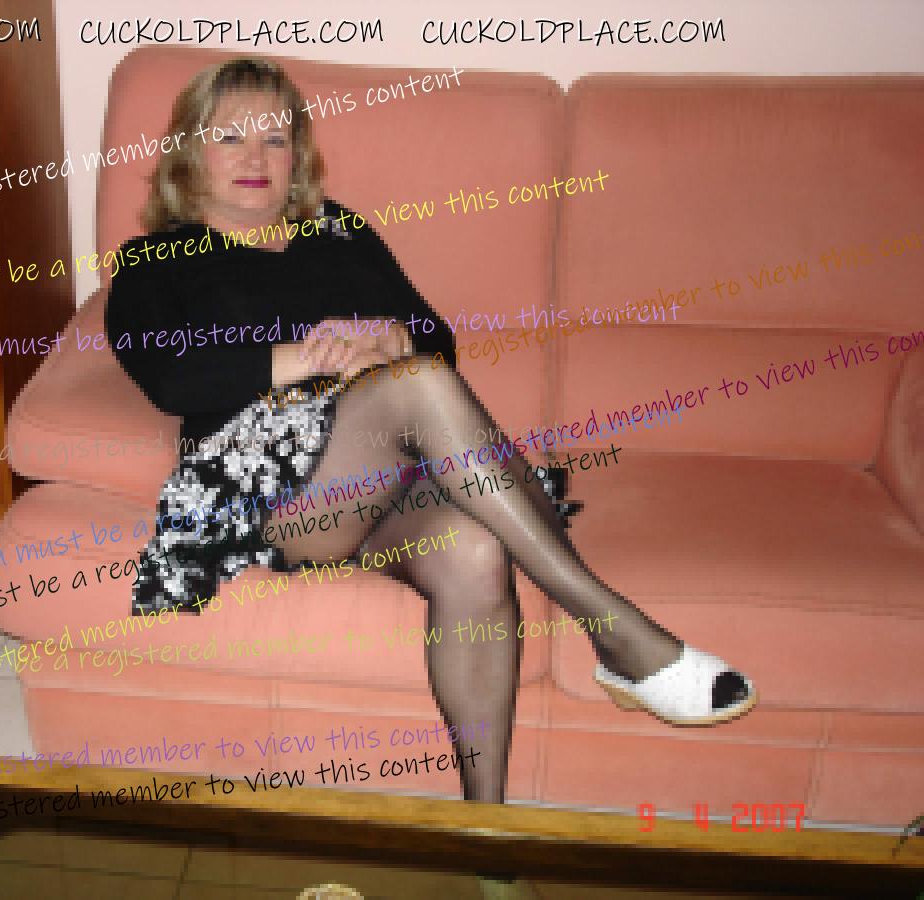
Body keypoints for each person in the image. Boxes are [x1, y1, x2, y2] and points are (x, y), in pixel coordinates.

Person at [107, 57, 757, 808]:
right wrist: (304, 358)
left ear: (298, 155)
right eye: (231, 138)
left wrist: (392, 339)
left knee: (475, 551)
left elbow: (435, 339)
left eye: (275, 140)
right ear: (190, 153)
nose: (256, 158)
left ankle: (485, 832)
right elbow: (169, 379)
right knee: (415, 384)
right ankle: (614, 632)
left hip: (384, 481)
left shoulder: (339, 230)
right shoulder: (155, 261)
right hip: (269, 487)